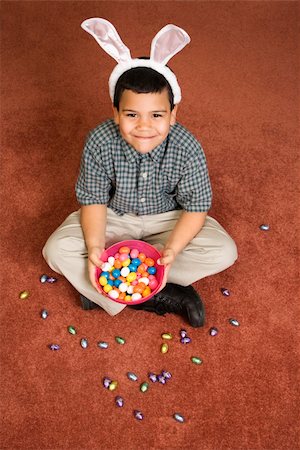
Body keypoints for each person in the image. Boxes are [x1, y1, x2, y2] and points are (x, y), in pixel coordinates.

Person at [42, 18, 238, 327]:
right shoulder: (99, 140)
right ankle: (157, 293)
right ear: (116, 113)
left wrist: (171, 249)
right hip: (114, 219)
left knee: (224, 251)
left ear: (173, 115)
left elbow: (196, 209)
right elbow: (93, 201)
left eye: (157, 115)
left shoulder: (187, 147)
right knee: (55, 251)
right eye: (131, 115)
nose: (144, 126)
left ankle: (103, 288)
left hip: (165, 222)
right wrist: (95, 248)